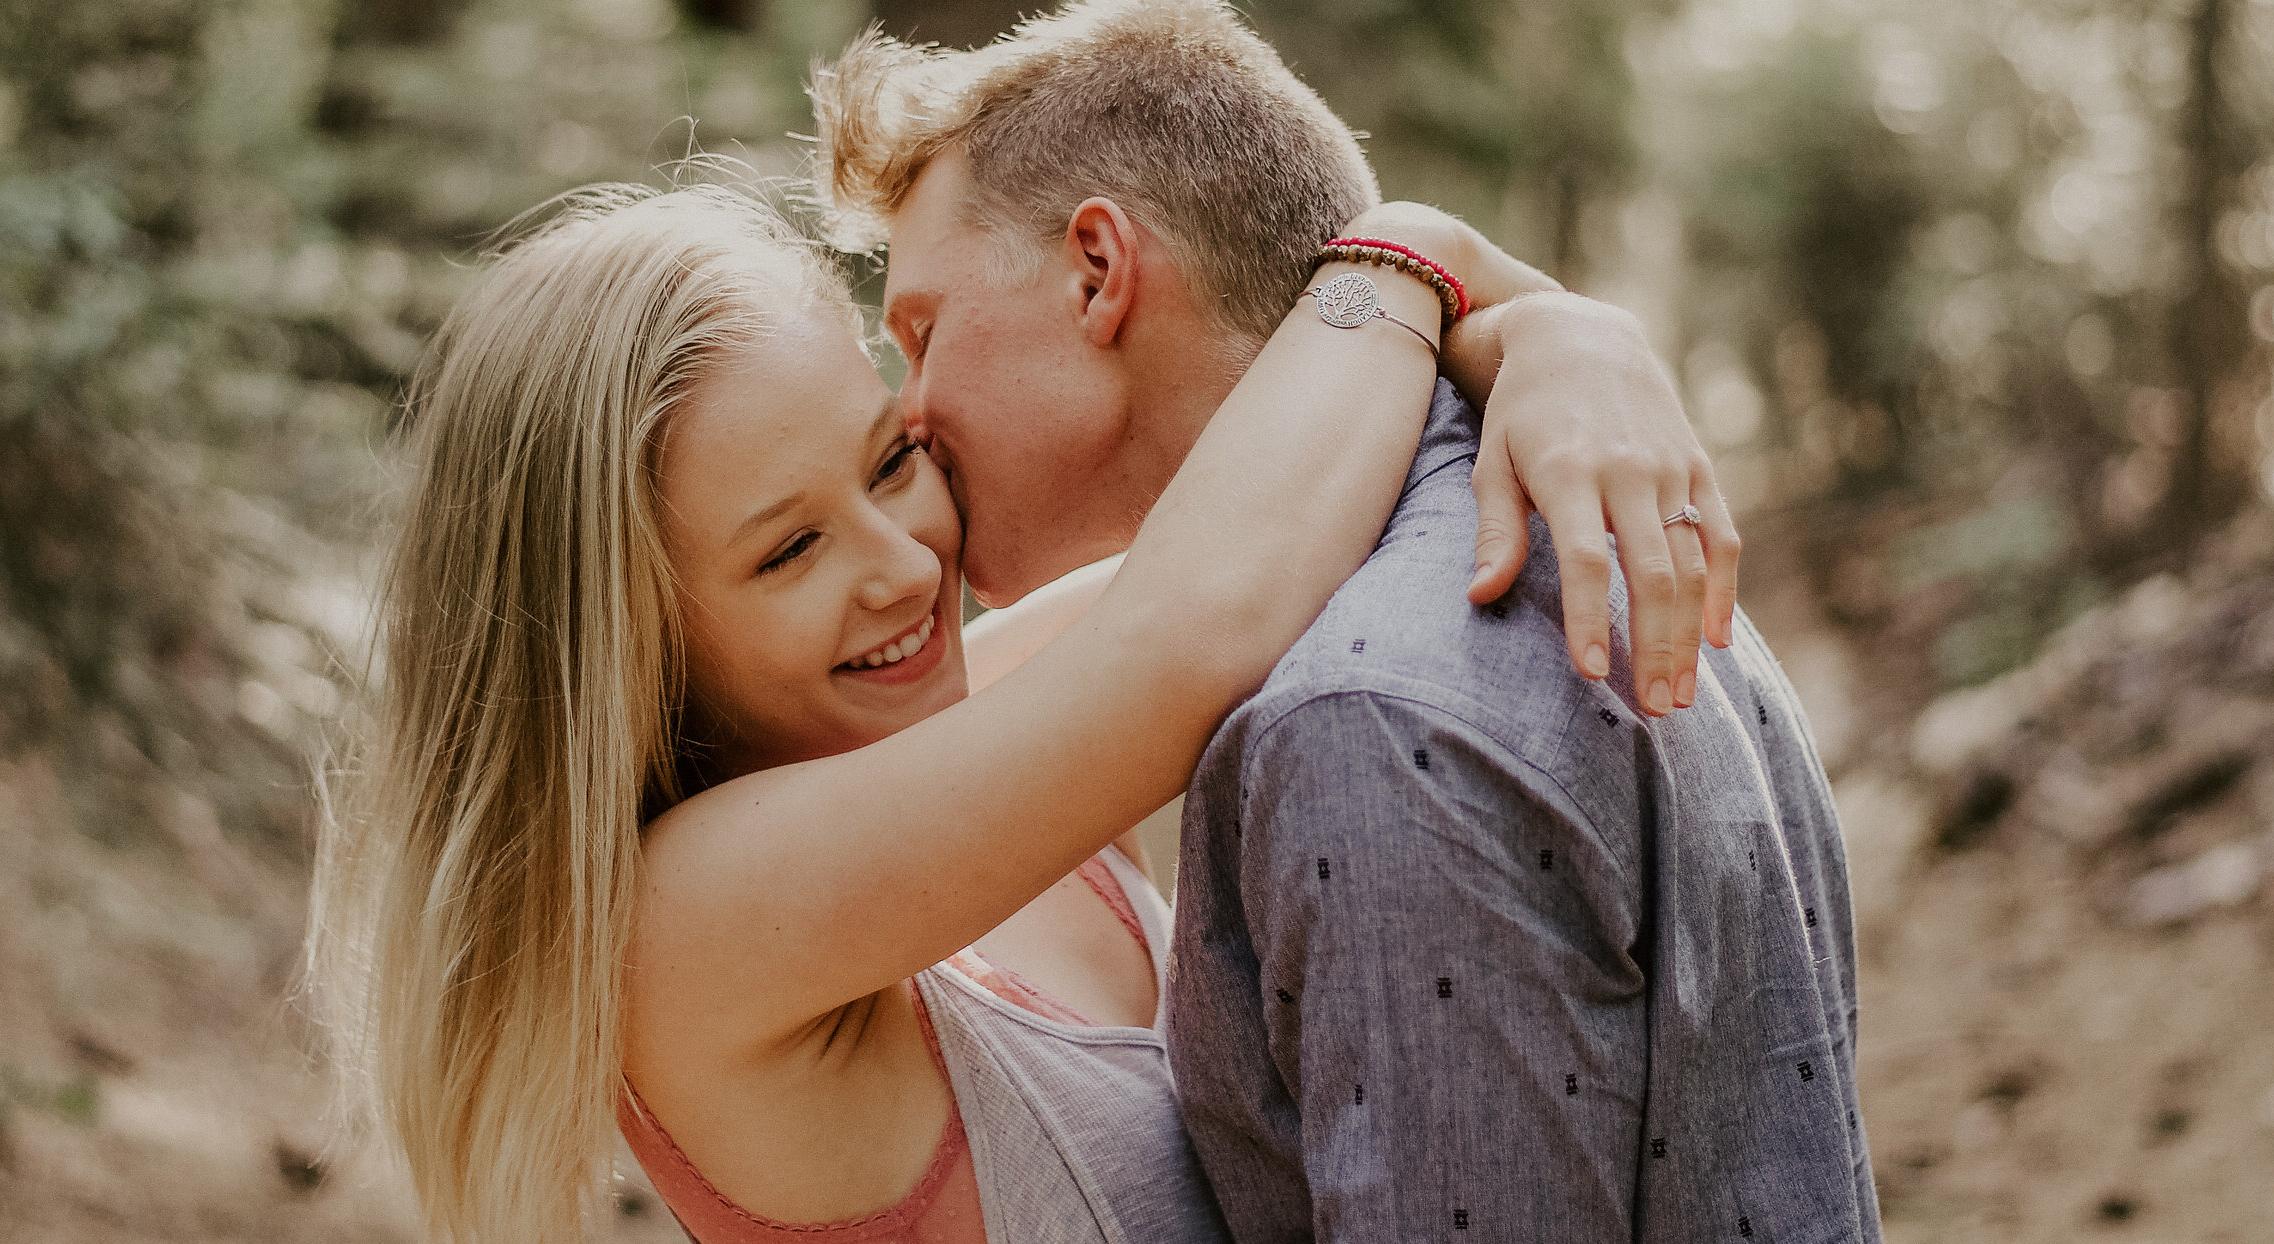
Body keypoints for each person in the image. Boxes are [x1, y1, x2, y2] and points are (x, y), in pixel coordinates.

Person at [300, 173, 1724, 1242]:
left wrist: (1559, 336)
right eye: (789, 551)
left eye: (890, 460)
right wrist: (1410, 244)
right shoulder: (680, 932)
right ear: (629, 650)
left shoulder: (960, 723)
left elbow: (1299, 509)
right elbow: (1201, 627)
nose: (904, 561)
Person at [810, 1, 1883, 1240]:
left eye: (923, 333)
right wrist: (1501, 296)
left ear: (1096, 271)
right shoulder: (1589, 527)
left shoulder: (1361, 722)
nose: (912, 413)